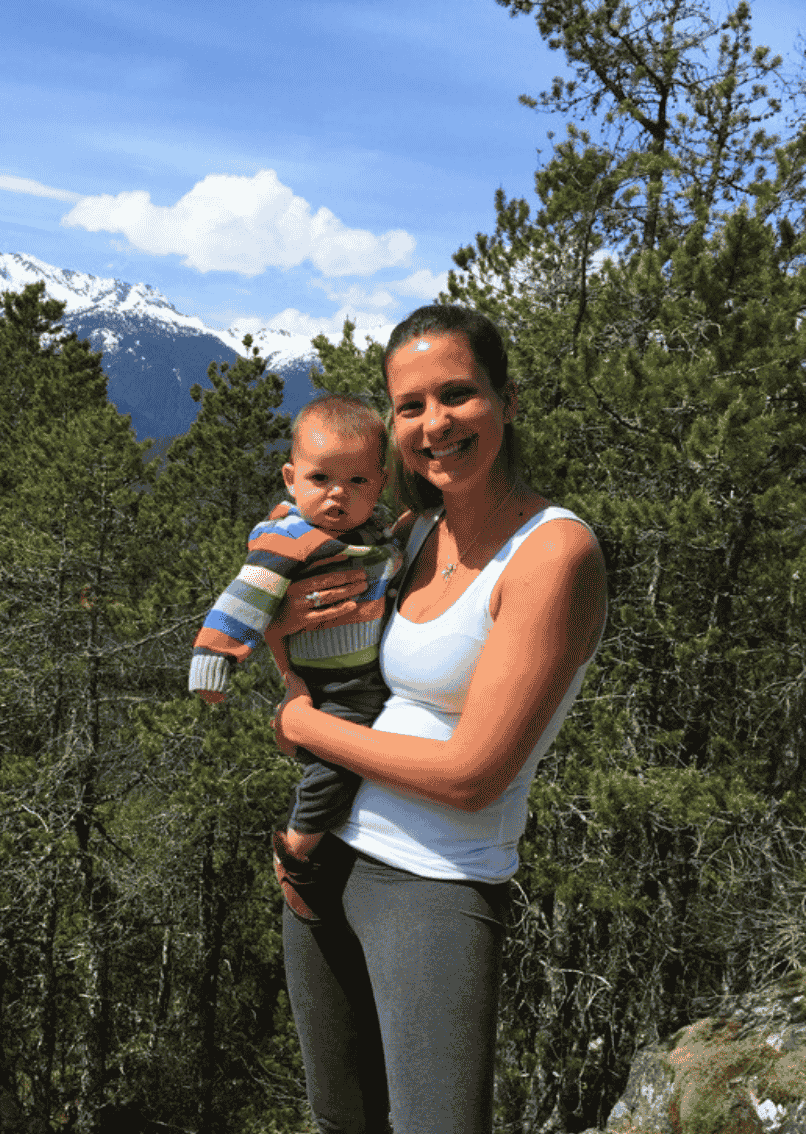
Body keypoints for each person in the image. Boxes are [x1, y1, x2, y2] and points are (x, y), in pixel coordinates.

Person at [271, 304, 608, 1134]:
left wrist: (301, 729)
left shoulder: (553, 553)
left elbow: (472, 775)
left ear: (508, 399)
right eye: (411, 406)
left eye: (458, 394)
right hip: (326, 860)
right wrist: (282, 635)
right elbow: (332, 670)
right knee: (340, 1119)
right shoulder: (412, 535)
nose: (434, 424)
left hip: (437, 881)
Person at [188, 395, 410, 922]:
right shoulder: (289, 541)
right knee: (334, 768)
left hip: (364, 673)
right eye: (320, 480)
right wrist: (214, 659)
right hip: (331, 684)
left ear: (380, 484)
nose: (338, 494)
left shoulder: (370, 531)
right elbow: (245, 599)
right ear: (291, 479)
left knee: (351, 764)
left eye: (357, 482)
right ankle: (298, 845)